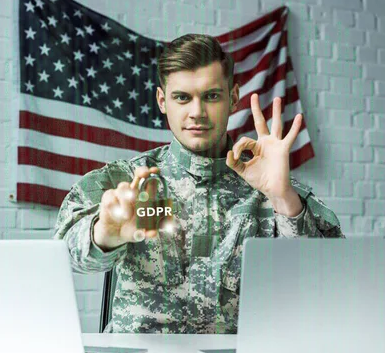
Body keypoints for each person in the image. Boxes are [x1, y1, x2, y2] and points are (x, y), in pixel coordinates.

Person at [54, 34, 344, 334]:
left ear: (233, 98)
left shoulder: (271, 188)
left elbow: (328, 279)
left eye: (211, 96)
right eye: (182, 98)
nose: (197, 112)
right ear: (162, 101)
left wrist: (284, 198)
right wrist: (104, 233)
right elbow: (64, 254)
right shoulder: (128, 180)